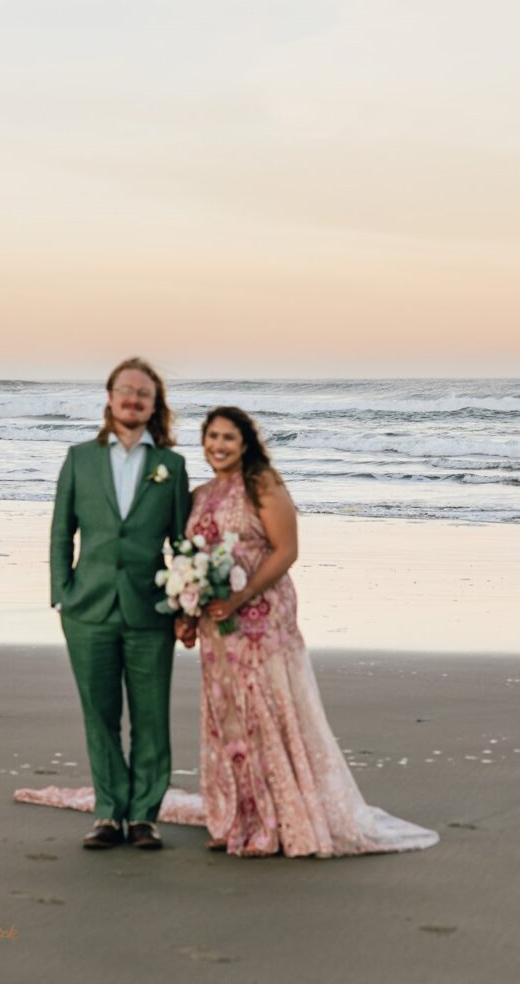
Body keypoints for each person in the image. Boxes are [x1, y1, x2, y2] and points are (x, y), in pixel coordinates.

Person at [173, 406, 439, 857]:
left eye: (228, 439)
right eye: (212, 437)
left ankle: (275, 820)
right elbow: (189, 559)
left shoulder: (264, 485)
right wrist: (187, 611)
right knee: (227, 715)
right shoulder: (200, 494)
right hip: (217, 623)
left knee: (265, 711)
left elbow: (286, 551)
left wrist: (240, 598)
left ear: (245, 444)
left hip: (261, 617)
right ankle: (236, 816)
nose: (218, 446)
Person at [49, 357, 190, 850]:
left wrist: (184, 605)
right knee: (100, 714)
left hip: (150, 612)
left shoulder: (171, 467)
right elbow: (61, 532)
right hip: (87, 610)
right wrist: (61, 595)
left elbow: (183, 545)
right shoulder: (79, 459)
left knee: (152, 716)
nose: (133, 399)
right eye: (126, 390)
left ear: (154, 406)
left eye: (143, 394)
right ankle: (109, 814)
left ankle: (145, 817)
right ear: (109, 397)